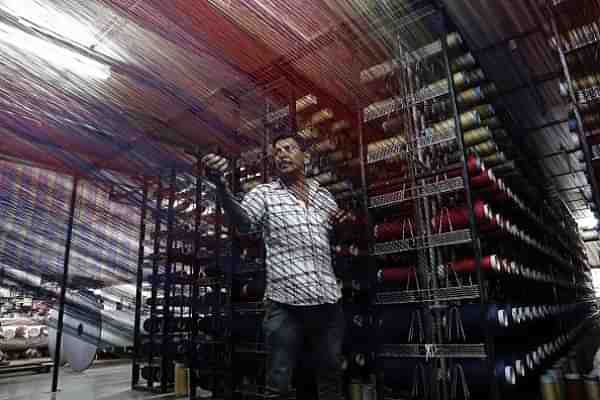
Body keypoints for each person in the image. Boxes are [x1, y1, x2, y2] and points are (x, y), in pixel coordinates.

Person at [204, 134, 348, 400]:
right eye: (277, 151)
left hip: (328, 302)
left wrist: (344, 227)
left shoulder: (325, 196)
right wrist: (221, 187)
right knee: (278, 380)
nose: (281, 154)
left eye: (289, 149)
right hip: (285, 304)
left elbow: (335, 238)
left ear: (305, 157)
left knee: (331, 378)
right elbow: (244, 223)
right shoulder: (265, 194)